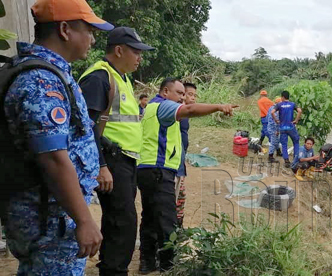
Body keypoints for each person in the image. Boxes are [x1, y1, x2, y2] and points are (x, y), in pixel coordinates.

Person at [2, 0, 113, 274]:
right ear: (65, 29)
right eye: (89, 30)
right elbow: (52, 157)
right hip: (50, 218)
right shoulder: (41, 81)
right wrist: (84, 220)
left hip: (49, 212)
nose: (93, 38)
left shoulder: (50, 72)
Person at [137, 78, 237, 273]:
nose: (183, 98)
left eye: (185, 94)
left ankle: (147, 262)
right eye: (179, 93)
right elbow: (190, 110)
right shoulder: (164, 106)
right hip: (159, 169)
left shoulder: (151, 107)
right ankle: (169, 267)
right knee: (168, 222)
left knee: (149, 217)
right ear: (165, 92)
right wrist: (219, 106)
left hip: (146, 168)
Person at [78, 26, 155, 276]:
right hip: (111, 160)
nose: (139, 58)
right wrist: (101, 166)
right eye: (136, 52)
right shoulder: (99, 77)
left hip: (125, 160)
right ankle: (113, 271)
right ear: (119, 50)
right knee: (122, 222)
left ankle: (112, 268)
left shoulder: (122, 77)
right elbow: (84, 128)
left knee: (119, 220)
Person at [175, 82, 198, 228]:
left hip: (180, 159)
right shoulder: (177, 110)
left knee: (181, 196)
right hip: (174, 161)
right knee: (176, 196)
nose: (193, 98)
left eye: (195, 95)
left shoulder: (185, 113)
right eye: (190, 94)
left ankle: (178, 226)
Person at [271, 90, 302, 167]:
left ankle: (286, 161)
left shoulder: (279, 105)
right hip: (291, 127)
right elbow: (299, 111)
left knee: (284, 144)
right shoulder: (292, 104)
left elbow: (272, 112)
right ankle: (295, 159)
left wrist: (276, 120)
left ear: (282, 97)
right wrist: (296, 120)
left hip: (282, 127)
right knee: (296, 142)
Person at [267, 97, 283, 163]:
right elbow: (276, 121)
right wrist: (277, 130)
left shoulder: (271, 108)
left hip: (270, 127)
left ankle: (278, 152)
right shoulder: (276, 110)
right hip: (274, 128)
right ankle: (270, 156)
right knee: (273, 142)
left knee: (276, 140)